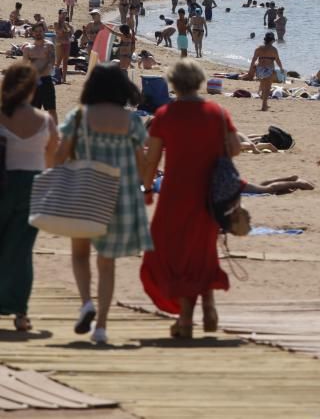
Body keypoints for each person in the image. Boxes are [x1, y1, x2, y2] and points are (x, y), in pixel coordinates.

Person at [140, 60, 238, 340]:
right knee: (201, 249)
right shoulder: (217, 112)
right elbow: (235, 148)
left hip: (176, 193)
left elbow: (152, 158)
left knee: (172, 253)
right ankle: (208, 305)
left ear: (173, 83)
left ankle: (185, 320)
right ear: (199, 81)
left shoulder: (165, 115)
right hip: (209, 193)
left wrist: (147, 188)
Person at [54, 64, 150, 344]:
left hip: (85, 193)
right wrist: (144, 187)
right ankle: (102, 328)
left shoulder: (80, 117)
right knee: (107, 264)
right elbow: (142, 163)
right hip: (119, 197)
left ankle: (86, 303)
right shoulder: (132, 122)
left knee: (80, 254)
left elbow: (59, 156)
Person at [0, 63, 58, 333]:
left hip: (3, 182)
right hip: (33, 186)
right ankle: (20, 313)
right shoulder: (44, 120)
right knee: (21, 251)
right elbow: (51, 159)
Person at [22, 23, 57, 122]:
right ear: (32, 33)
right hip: (33, 82)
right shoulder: (28, 48)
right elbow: (24, 66)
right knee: (32, 109)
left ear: (44, 32)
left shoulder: (49, 46)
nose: (38, 33)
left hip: (46, 80)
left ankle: (55, 135)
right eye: (36, 31)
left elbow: (51, 63)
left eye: (40, 31)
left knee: (51, 109)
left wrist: (38, 72)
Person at [248, 31, 283, 111]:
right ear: (272, 40)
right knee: (267, 88)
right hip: (269, 70)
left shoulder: (258, 48)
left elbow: (254, 59)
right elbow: (277, 60)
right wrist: (281, 68)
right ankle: (264, 105)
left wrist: (250, 70)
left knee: (263, 86)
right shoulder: (274, 49)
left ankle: (265, 103)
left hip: (259, 70)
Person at [54, 9, 73, 82]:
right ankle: (55, 76)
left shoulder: (66, 23)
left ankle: (64, 78)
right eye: (63, 14)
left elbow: (71, 33)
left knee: (65, 61)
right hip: (60, 43)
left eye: (65, 14)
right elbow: (60, 31)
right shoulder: (56, 23)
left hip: (67, 43)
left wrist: (69, 30)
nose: (64, 15)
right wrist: (66, 28)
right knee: (58, 61)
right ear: (59, 14)